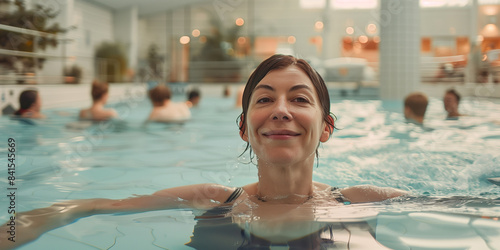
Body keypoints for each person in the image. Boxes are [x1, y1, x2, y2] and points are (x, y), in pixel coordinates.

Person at [0, 55, 406, 249]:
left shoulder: (366, 201)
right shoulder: (211, 201)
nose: (281, 111)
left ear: (327, 128)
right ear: (245, 128)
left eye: (299, 99)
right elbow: (87, 207)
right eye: (264, 100)